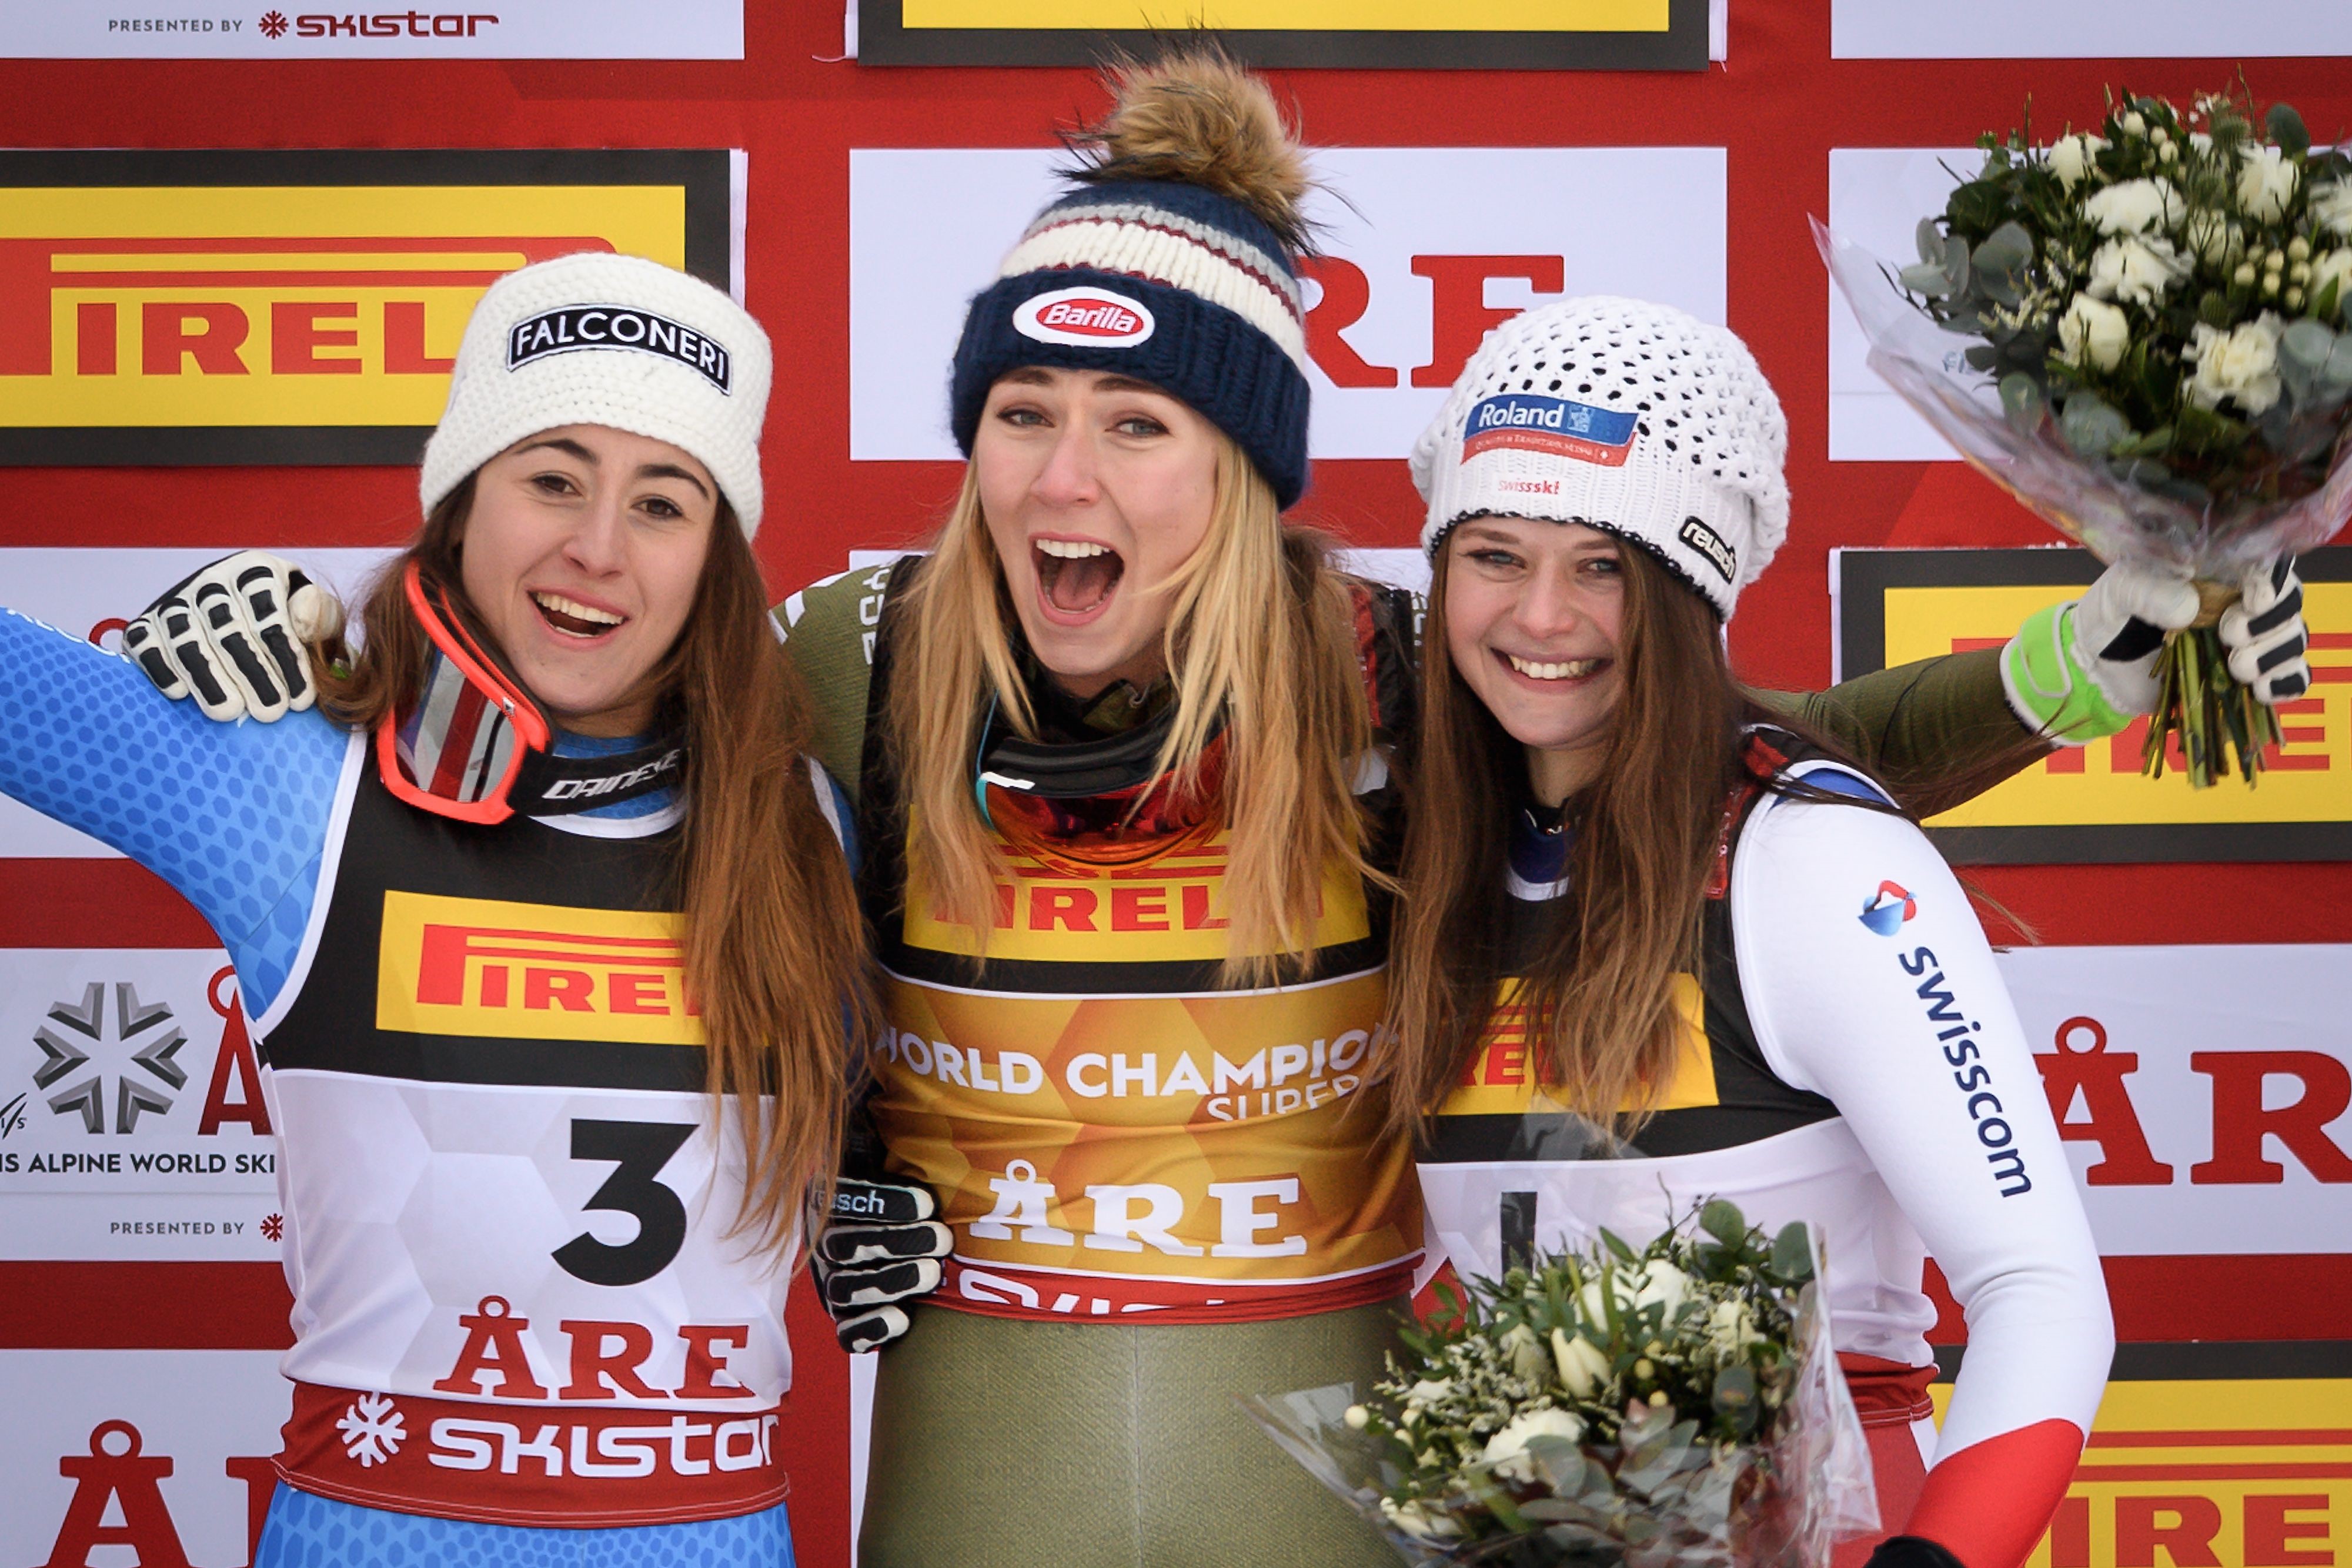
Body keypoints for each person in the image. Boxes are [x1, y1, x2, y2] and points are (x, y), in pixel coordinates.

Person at [122, 52, 2308, 1568]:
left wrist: (2094, 650)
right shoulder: (861, 647)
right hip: (994, 1410)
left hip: (1330, 1424)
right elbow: (594, 641)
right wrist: (336, 623)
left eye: (1144, 424)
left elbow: (1728, 732)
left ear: (1255, 474)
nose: (1068, 480)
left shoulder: (1395, 656)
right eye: (1025, 411)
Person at [0, 253, 874, 1566]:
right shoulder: (298, 782)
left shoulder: (811, 825)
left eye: (662, 502)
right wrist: (218, 628)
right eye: (552, 478)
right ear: (460, 503)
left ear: (715, 555)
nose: (595, 548)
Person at [1381, 296, 2123, 1568]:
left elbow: (2041, 1289)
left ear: (1686, 594)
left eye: (1600, 565)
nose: (1538, 617)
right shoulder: (1420, 856)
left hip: (1809, 1528)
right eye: (1492, 553)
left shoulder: (1809, 858)